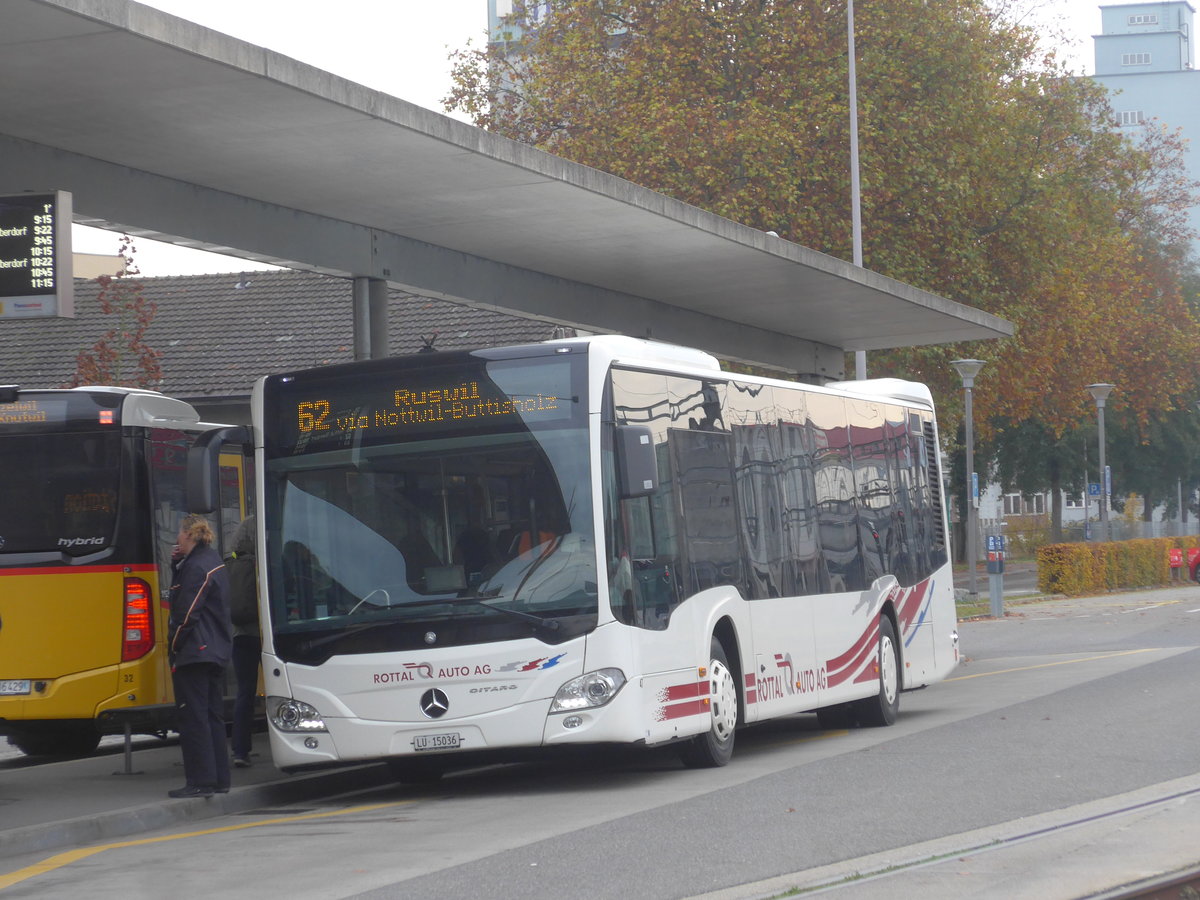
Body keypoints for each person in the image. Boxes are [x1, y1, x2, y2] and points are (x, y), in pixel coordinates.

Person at [167, 514, 233, 798]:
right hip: (216, 649)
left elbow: (186, 612)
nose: (177, 539)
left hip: (196, 651)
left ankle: (200, 780)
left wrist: (174, 645)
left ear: (190, 535)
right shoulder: (212, 561)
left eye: (180, 534)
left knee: (193, 717)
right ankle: (219, 778)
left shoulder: (196, 568)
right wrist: (175, 565)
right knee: (212, 716)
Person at [224, 516, 259, 769]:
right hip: (266, 636)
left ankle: (240, 750)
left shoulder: (230, 566)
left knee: (245, 692)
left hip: (240, 635)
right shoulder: (264, 564)